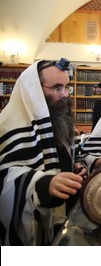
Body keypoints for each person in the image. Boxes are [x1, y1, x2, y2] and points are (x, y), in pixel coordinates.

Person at [0, 58, 87, 246]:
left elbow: (68, 152)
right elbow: (4, 178)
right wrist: (42, 184)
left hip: (66, 218)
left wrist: (77, 164)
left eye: (66, 87)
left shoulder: (59, 118)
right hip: (37, 228)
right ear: (35, 91)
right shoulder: (7, 127)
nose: (64, 95)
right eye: (57, 88)